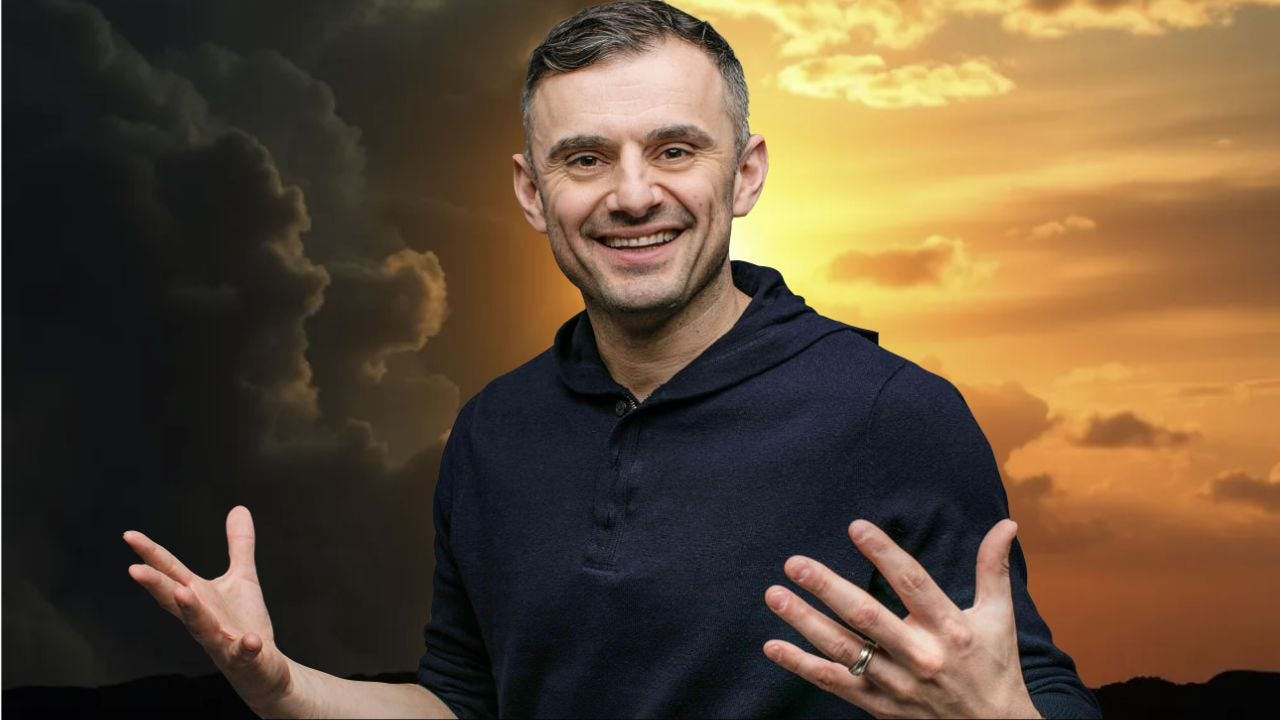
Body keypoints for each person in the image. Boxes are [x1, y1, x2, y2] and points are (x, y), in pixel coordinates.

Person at [124, 1, 1100, 717]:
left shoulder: (893, 414)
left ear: (746, 172)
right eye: (585, 159)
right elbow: (464, 706)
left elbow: (1026, 691)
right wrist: (281, 686)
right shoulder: (492, 434)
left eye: (675, 150)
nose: (631, 196)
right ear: (530, 191)